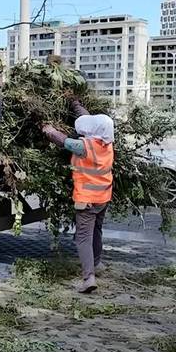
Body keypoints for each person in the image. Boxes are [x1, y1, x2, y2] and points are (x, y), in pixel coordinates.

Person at [42, 100, 114, 294]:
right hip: (103, 198)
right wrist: (75, 104)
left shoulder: (84, 147)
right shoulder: (107, 144)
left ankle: (88, 277)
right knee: (97, 231)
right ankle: (97, 264)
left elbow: (63, 140)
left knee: (83, 239)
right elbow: (89, 120)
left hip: (87, 200)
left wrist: (48, 129)